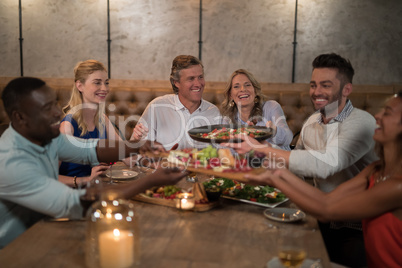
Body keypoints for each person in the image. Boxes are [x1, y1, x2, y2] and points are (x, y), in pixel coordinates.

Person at [224, 53, 378, 267]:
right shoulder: (313, 121)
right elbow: (295, 163)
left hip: (357, 226)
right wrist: (256, 173)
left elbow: (323, 165)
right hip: (318, 214)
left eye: (326, 85)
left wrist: (262, 148)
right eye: (313, 85)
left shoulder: (361, 122)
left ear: (346, 89)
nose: (317, 92)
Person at [0, 77, 188, 249]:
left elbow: (90, 148)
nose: (58, 112)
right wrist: (151, 181)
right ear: (20, 117)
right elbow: (74, 204)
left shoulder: (44, 136)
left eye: (55, 104)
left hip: (47, 228)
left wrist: (137, 146)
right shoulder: (10, 163)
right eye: (47, 108)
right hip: (17, 249)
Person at [245, 92, 402, 268]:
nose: (378, 116)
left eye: (387, 113)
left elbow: (326, 210)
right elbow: (326, 199)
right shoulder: (375, 170)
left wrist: (275, 178)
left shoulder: (398, 186)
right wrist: (277, 173)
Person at [131, 55, 221, 150]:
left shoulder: (213, 111)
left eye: (200, 77)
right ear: (176, 82)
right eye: (191, 78)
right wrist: (137, 141)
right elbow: (133, 155)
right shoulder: (157, 107)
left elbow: (221, 155)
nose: (198, 84)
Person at [59, 60, 123, 186]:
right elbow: (48, 176)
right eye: (97, 83)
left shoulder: (102, 118)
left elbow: (123, 152)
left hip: (99, 188)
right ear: (80, 86)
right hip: (73, 196)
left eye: (106, 83)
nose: (104, 88)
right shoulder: (67, 126)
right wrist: (87, 179)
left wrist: (146, 153)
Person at [221, 69, 293, 150]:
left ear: (255, 90)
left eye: (247, 85)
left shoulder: (271, 107)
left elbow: (288, 138)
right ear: (230, 95)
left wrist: (274, 131)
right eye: (236, 86)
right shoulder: (227, 119)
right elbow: (226, 149)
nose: (243, 89)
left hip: (277, 160)